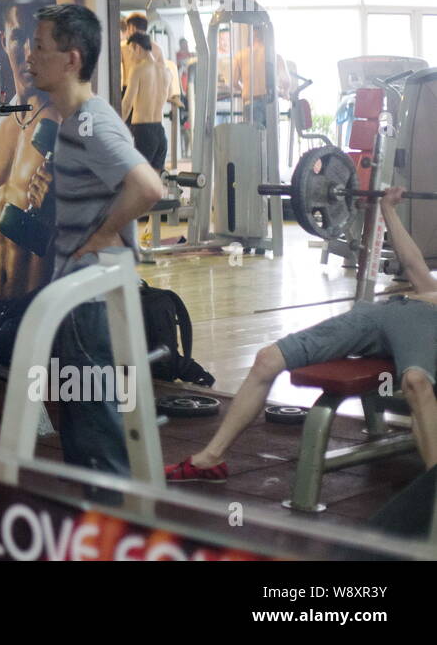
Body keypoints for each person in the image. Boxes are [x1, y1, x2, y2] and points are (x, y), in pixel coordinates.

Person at [167, 186, 437, 481]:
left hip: (425, 324)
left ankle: (432, 497)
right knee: (267, 359)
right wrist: (388, 209)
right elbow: (413, 266)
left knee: (415, 381)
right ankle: (211, 459)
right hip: (379, 313)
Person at [22, 4, 165, 477]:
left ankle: (111, 533)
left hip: (90, 296)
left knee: (94, 431)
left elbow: (148, 187)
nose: (30, 55)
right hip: (80, 292)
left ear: (71, 60)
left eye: (41, 47)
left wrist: (102, 234)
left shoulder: (91, 121)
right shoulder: (71, 122)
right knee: (85, 425)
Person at [0, 4, 61, 301]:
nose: (28, 52)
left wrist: (55, 209)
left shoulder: (67, 121)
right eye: (19, 37)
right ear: (4, 41)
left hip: (36, 304)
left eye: (38, 42)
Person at [121, 32, 169, 173]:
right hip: (160, 132)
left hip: (142, 131)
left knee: (137, 181)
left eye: (131, 52)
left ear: (138, 48)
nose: (130, 57)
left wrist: (118, 127)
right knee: (154, 185)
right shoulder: (166, 72)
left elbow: (127, 104)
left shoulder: (138, 70)